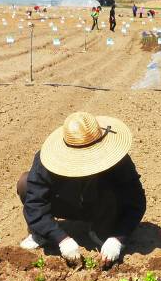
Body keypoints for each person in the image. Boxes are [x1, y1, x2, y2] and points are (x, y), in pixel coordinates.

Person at [17, 112, 146, 266]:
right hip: (67, 202)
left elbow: (135, 202)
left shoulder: (119, 161)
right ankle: (42, 233)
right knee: (25, 183)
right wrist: (61, 238)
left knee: (113, 197)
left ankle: (102, 230)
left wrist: (118, 238)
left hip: (101, 205)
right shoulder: (45, 161)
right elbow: (35, 203)